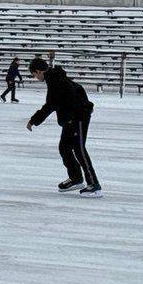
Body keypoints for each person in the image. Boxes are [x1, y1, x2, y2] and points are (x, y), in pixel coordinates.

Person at [26, 56, 101, 197]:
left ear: (38, 71)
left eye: (34, 75)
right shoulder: (55, 78)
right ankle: (76, 178)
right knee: (64, 147)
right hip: (71, 119)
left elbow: (50, 105)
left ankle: (94, 185)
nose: (35, 78)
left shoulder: (55, 81)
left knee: (79, 149)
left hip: (78, 117)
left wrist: (34, 120)